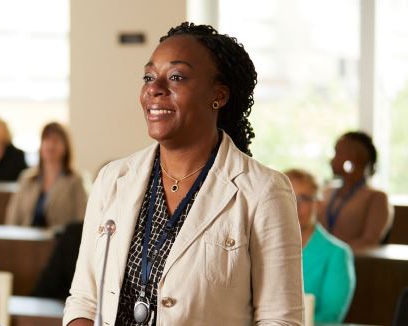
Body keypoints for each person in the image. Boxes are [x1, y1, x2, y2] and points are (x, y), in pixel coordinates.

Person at [64, 22, 304, 325]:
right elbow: (85, 300)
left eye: (176, 77)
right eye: (149, 77)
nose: (154, 88)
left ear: (218, 95)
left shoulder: (263, 191)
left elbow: (279, 319)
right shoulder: (112, 180)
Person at [285, 169, 355, 323]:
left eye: (303, 198)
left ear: (319, 204)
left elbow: (330, 317)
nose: (295, 205)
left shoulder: (337, 253)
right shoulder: (260, 247)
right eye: (287, 196)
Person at [318, 131, 393, 250]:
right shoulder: (327, 191)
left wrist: (335, 254)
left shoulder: (376, 197)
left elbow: (370, 241)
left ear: (354, 158)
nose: (332, 160)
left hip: (355, 263)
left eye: (337, 153)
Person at [5, 122, 87, 229]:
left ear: (66, 146)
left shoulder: (76, 180)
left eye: (56, 140)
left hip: (60, 242)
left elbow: (81, 220)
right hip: (26, 240)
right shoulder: (27, 178)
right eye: (47, 139)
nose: (51, 145)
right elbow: (12, 218)